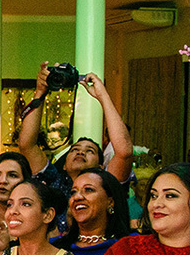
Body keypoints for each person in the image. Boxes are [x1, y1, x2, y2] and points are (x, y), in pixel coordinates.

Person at [18, 66, 133, 199]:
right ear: (64, 165)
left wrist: (103, 96)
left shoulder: (106, 184)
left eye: (90, 151)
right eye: (74, 150)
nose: (80, 152)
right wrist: (40, 92)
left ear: (100, 167)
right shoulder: (54, 180)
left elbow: (124, 152)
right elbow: (27, 145)